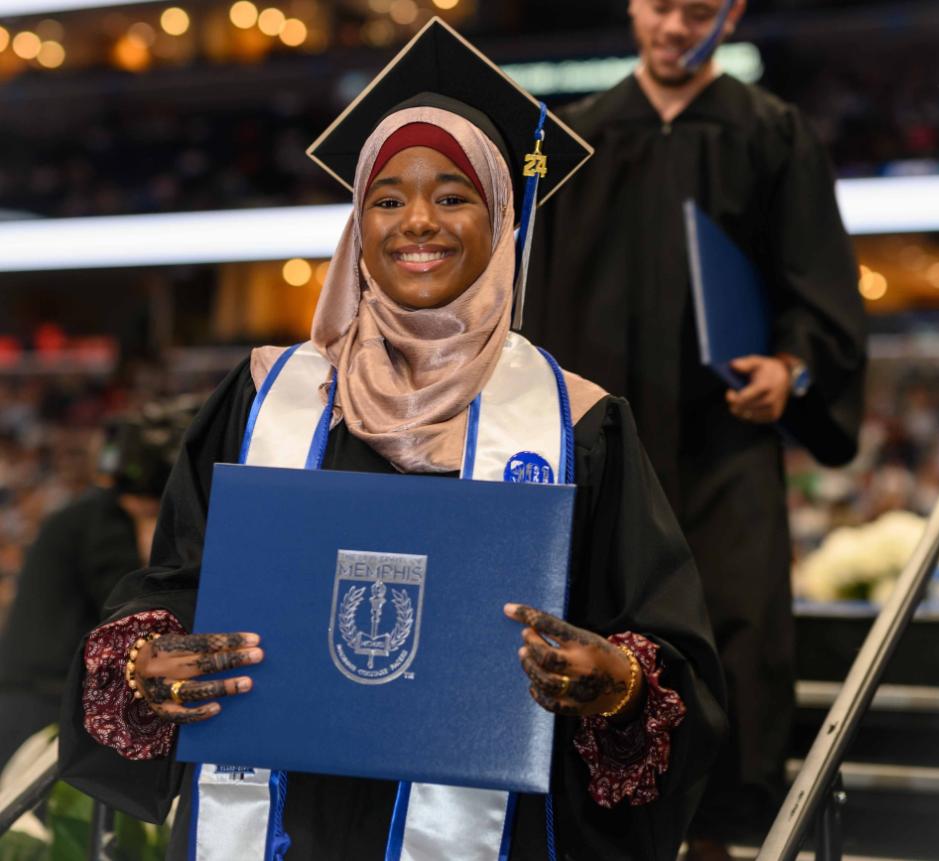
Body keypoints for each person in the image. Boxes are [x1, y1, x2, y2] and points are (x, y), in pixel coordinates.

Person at [57, 20, 726, 861]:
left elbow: (666, 653)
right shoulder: (269, 394)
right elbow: (180, 583)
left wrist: (617, 685)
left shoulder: (576, 422)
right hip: (283, 822)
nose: (418, 222)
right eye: (387, 198)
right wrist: (148, 664)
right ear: (357, 224)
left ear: (501, 219)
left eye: (453, 196)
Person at [523, 1, 867, 856]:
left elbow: (821, 288)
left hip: (725, 448)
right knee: (592, 623)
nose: (674, 27)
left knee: (737, 637)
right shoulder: (576, 139)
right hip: (602, 454)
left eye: (699, 9)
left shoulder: (770, 133)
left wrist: (791, 370)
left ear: (735, 10)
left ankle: (721, 839)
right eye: (657, 5)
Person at [0, 400, 194, 770]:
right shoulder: (105, 522)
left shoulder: (82, 514)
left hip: (30, 695)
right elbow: (128, 610)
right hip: (45, 704)